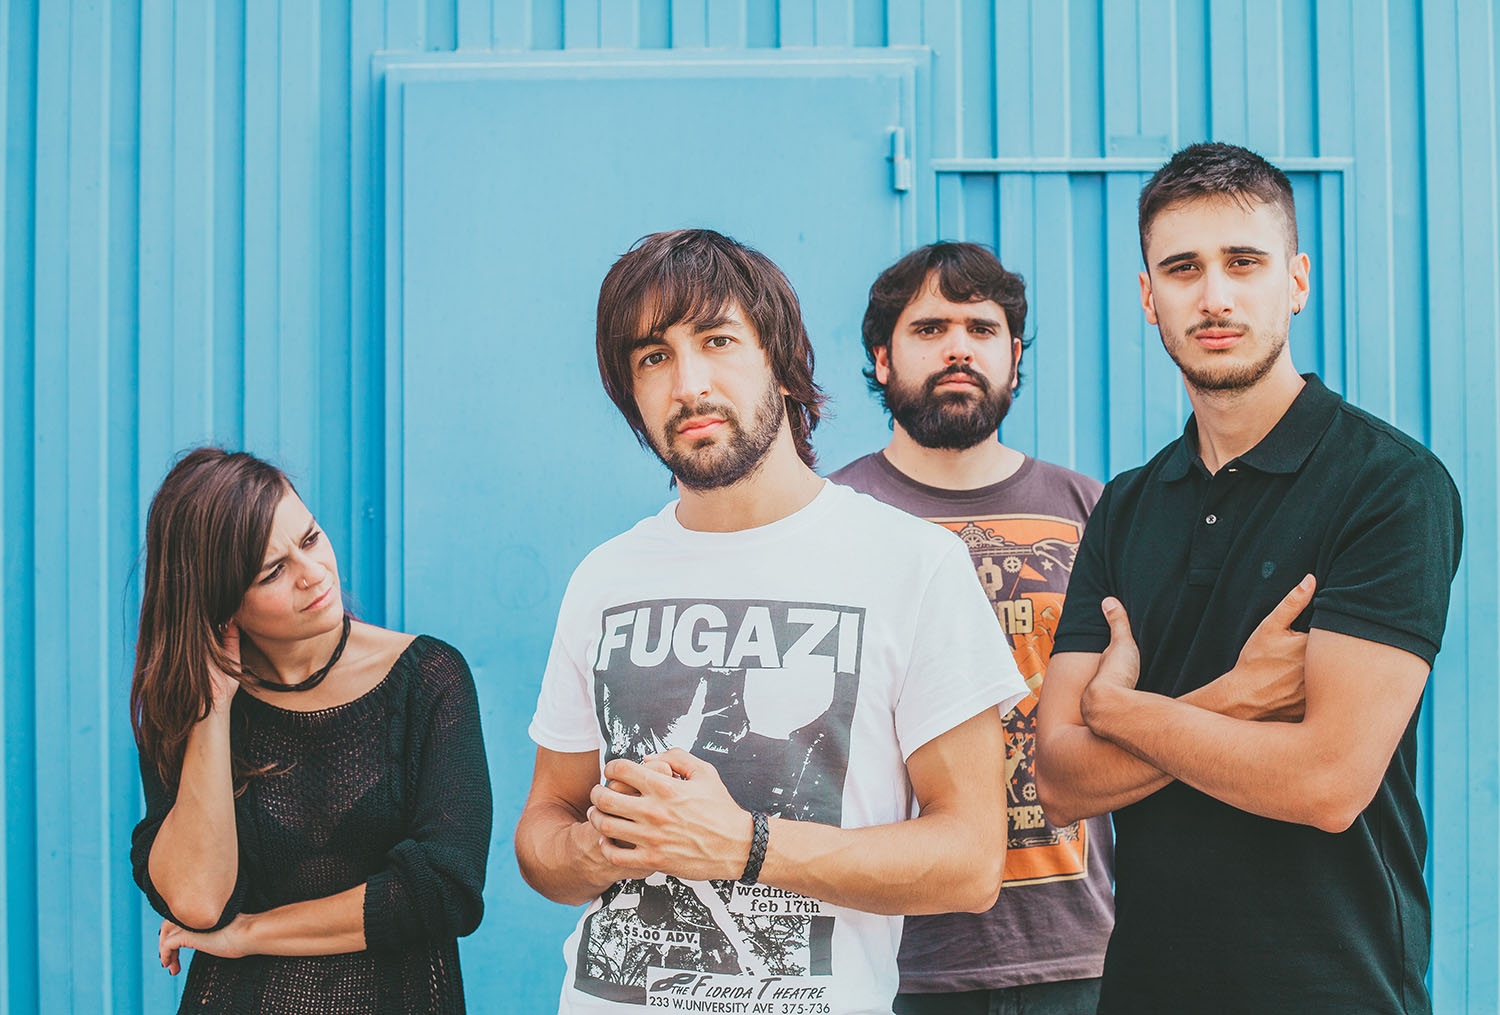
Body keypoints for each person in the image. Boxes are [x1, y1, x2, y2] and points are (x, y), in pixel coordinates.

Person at [513, 228, 1029, 1015]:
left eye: (717, 341)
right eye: (653, 357)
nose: (688, 383)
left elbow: (970, 859)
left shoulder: (913, 563)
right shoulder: (605, 577)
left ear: (783, 365)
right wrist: (597, 846)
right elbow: (543, 830)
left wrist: (743, 845)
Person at [1034, 142, 1463, 1014]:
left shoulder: (1387, 484)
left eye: (1243, 262)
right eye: (1182, 269)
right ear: (1148, 298)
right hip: (1147, 989)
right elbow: (1062, 778)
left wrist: (1123, 712)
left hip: (1335, 989)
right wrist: (1231, 698)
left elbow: (1326, 782)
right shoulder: (1126, 506)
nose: (1214, 296)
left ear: (1296, 281)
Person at [830, 242, 1111, 1014]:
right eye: (930, 329)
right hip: (889, 963)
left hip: (1075, 951)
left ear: (1014, 359)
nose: (958, 347)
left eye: (982, 329)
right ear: (882, 358)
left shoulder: (1091, 512)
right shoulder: (830, 521)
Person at [129, 447, 492, 1014]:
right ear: (220, 604)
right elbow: (198, 902)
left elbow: (444, 889)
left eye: (310, 538)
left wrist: (250, 933)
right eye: (273, 571)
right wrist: (212, 709)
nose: (313, 573)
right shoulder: (191, 709)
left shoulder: (426, 680)